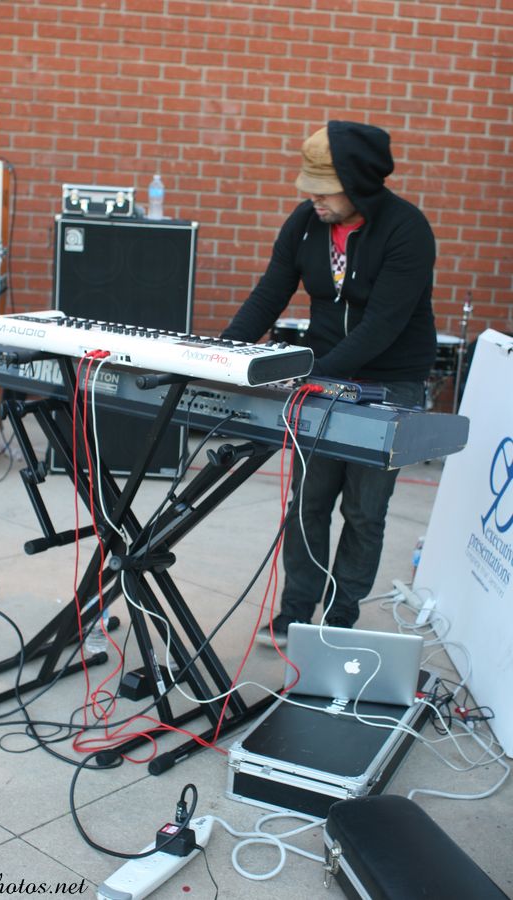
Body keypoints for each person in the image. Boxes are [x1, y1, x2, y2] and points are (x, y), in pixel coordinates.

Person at [221, 120, 437, 646]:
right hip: (324, 372)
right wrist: (222, 355)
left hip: (390, 384)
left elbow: (382, 325)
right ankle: (296, 611)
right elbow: (269, 294)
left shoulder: (407, 230)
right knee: (308, 502)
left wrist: (314, 377)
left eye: (325, 188)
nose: (312, 197)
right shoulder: (305, 222)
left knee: (364, 511)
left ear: (359, 184)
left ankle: (340, 620)